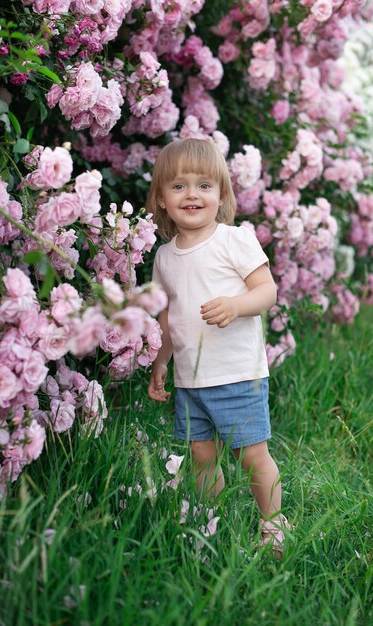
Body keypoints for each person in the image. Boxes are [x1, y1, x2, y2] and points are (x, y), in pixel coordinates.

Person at [146, 138, 290, 556]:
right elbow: (168, 317)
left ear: (221, 195)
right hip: (190, 378)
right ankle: (212, 523)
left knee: (251, 455)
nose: (192, 194)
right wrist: (161, 363)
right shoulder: (164, 257)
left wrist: (237, 304)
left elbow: (267, 291)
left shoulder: (233, 240)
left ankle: (273, 524)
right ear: (161, 198)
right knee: (200, 454)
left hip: (236, 373)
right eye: (179, 186)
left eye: (204, 185)